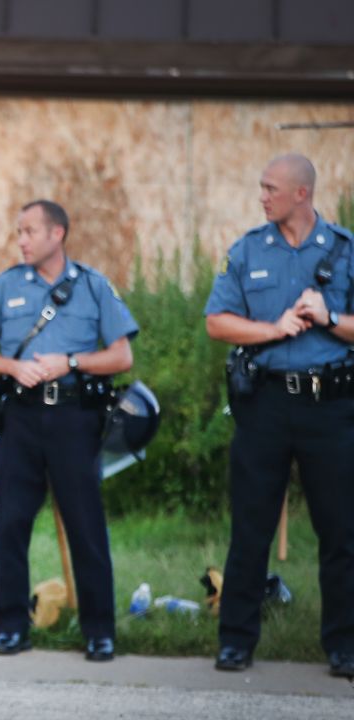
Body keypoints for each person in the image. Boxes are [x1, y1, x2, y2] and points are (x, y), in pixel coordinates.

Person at [0, 199, 137, 663]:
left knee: (86, 526)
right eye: (19, 231)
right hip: (19, 419)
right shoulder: (4, 287)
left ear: (57, 234)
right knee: (12, 524)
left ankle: (100, 631)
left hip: (74, 420)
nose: (20, 239)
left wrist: (72, 362)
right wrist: (12, 366)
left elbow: (122, 356)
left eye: (29, 231)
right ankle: (10, 627)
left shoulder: (93, 286)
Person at [204, 153, 354, 679]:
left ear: (301, 194)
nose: (261, 195)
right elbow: (217, 322)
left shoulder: (345, 250)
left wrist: (329, 317)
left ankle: (345, 646)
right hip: (265, 405)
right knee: (250, 528)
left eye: (270, 188)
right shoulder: (248, 251)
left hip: (331, 407)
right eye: (261, 186)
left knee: (341, 530)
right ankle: (236, 642)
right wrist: (275, 329)